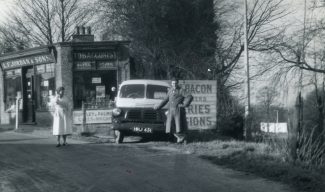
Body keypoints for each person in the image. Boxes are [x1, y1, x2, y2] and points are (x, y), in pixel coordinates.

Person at [154, 78, 193, 144]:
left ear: (177, 83)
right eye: (173, 83)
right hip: (171, 111)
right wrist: (158, 107)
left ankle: (181, 140)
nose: (174, 84)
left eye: (175, 83)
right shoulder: (170, 91)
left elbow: (190, 96)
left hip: (178, 111)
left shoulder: (181, 90)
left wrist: (185, 104)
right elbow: (165, 100)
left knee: (179, 126)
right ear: (171, 84)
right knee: (169, 126)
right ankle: (181, 138)